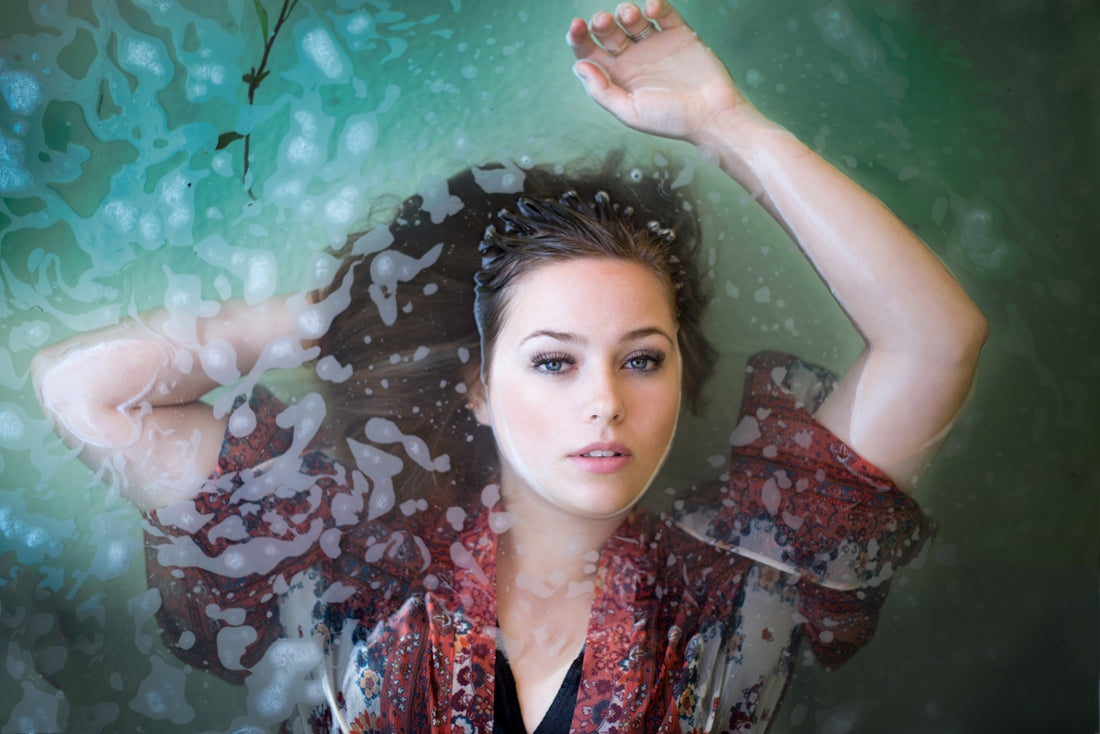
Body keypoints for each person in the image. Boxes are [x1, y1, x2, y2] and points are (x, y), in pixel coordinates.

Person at [30, 1, 987, 732]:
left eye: (641, 360)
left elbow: (934, 340)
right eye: (554, 362)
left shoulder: (740, 580)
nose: (605, 404)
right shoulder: (357, 555)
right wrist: (362, 311)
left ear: (681, 381)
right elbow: (86, 393)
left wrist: (728, 124)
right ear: (479, 386)